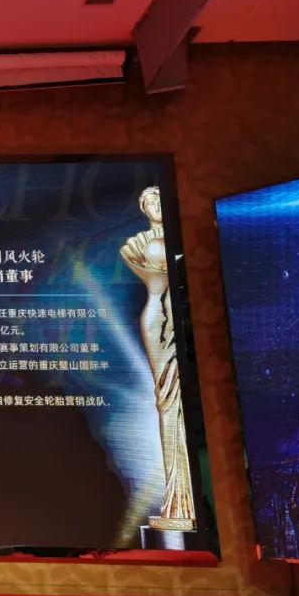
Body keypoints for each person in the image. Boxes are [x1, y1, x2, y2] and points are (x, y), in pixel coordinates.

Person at [120, 186, 196, 531]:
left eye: (159, 200)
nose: (155, 205)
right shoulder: (138, 245)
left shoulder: (183, 240)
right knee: (166, 399)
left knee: (181, 399)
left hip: (181, 315)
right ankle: (175, 499)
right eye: (149, 201)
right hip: (156, 318)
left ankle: (186, 499)